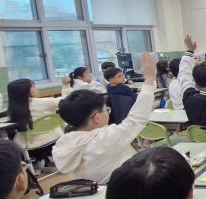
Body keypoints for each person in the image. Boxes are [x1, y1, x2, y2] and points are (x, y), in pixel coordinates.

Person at [52, 53, 156, 183]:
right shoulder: (105, 139)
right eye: (106, 110)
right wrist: (149, 79)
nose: (108, 112)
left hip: (93, 193)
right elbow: (137, 118)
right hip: (121, 189)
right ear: (96, 118)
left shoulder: (63, 143)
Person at [7, 76, 72, 170]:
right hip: (51, 137)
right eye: (33, 86)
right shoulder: (43, 102)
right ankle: (42, 160)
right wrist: (65, 85)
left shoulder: (14, 108)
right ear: (26, 91)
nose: (36, 88)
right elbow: (67, 101)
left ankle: (37, 162)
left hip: (28, 143)